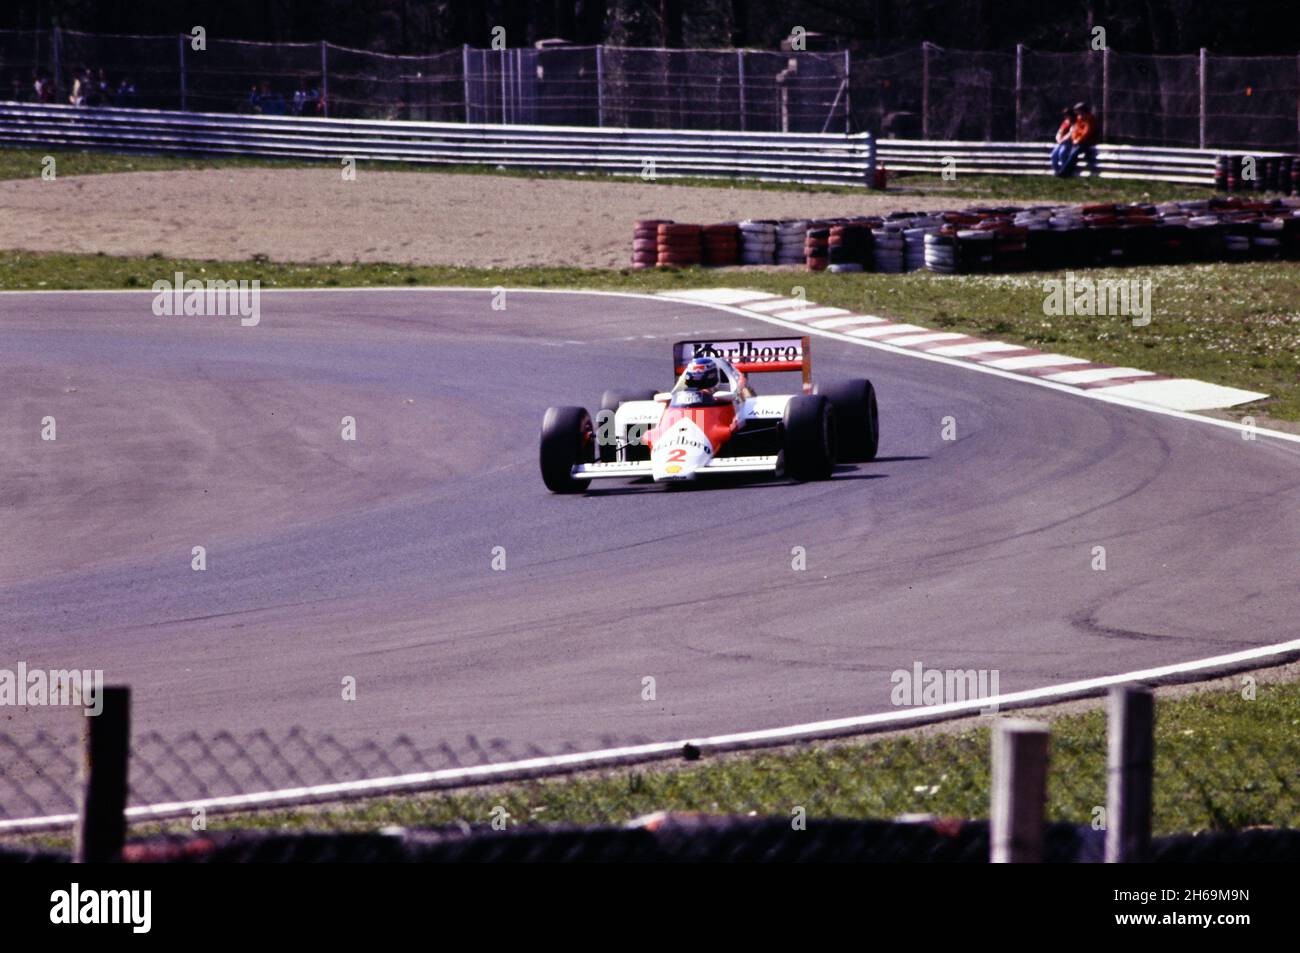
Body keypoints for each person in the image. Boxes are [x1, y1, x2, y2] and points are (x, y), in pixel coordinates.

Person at [1057, 101, 1099, 177]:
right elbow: (1075, 130)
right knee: (1070, 152)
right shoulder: (1079, 118)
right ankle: (1065, 171)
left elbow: (1087, 133)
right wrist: (1074, 139)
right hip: (1078, 142)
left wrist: (1077, 140)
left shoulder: (1090, 119)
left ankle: (1065, 171)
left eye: (1079, 112)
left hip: (1088, 142)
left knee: (1074, 153)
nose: (1077, 114)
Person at [1050, 106, 1074, 175]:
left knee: (1062, 153)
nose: (1066, 116)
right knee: (1054, 154)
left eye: (1067, 115)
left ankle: (1065, 171)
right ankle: (1056, 171)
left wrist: (1063, 139)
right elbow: (1060, 131)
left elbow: (1071, 133)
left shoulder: (1075, 122)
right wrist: (1058, 138)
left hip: (1069, 142)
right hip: (1061, 142)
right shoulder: (1065, 122)